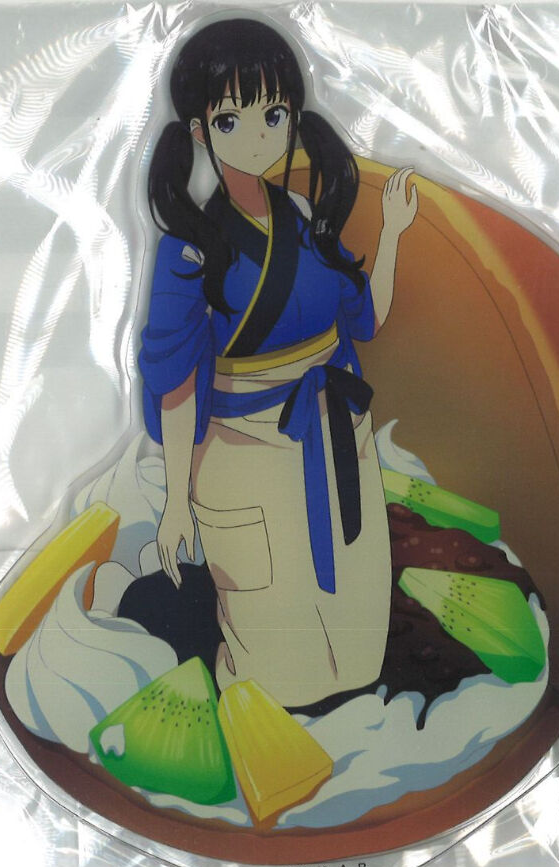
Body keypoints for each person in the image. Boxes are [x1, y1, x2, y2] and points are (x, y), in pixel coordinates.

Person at [138, 17, 418, 707]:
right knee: (273, 655)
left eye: (274, 114)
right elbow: (175, 382)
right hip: (243, 446)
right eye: (230, 120)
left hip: (336, 430)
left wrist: (391, 235)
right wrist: (175, 500)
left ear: (293, 115)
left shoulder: (302, 214)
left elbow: (364, 318)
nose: (259, 136)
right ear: (199, 132)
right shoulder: (189, 248)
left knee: (359, 640)